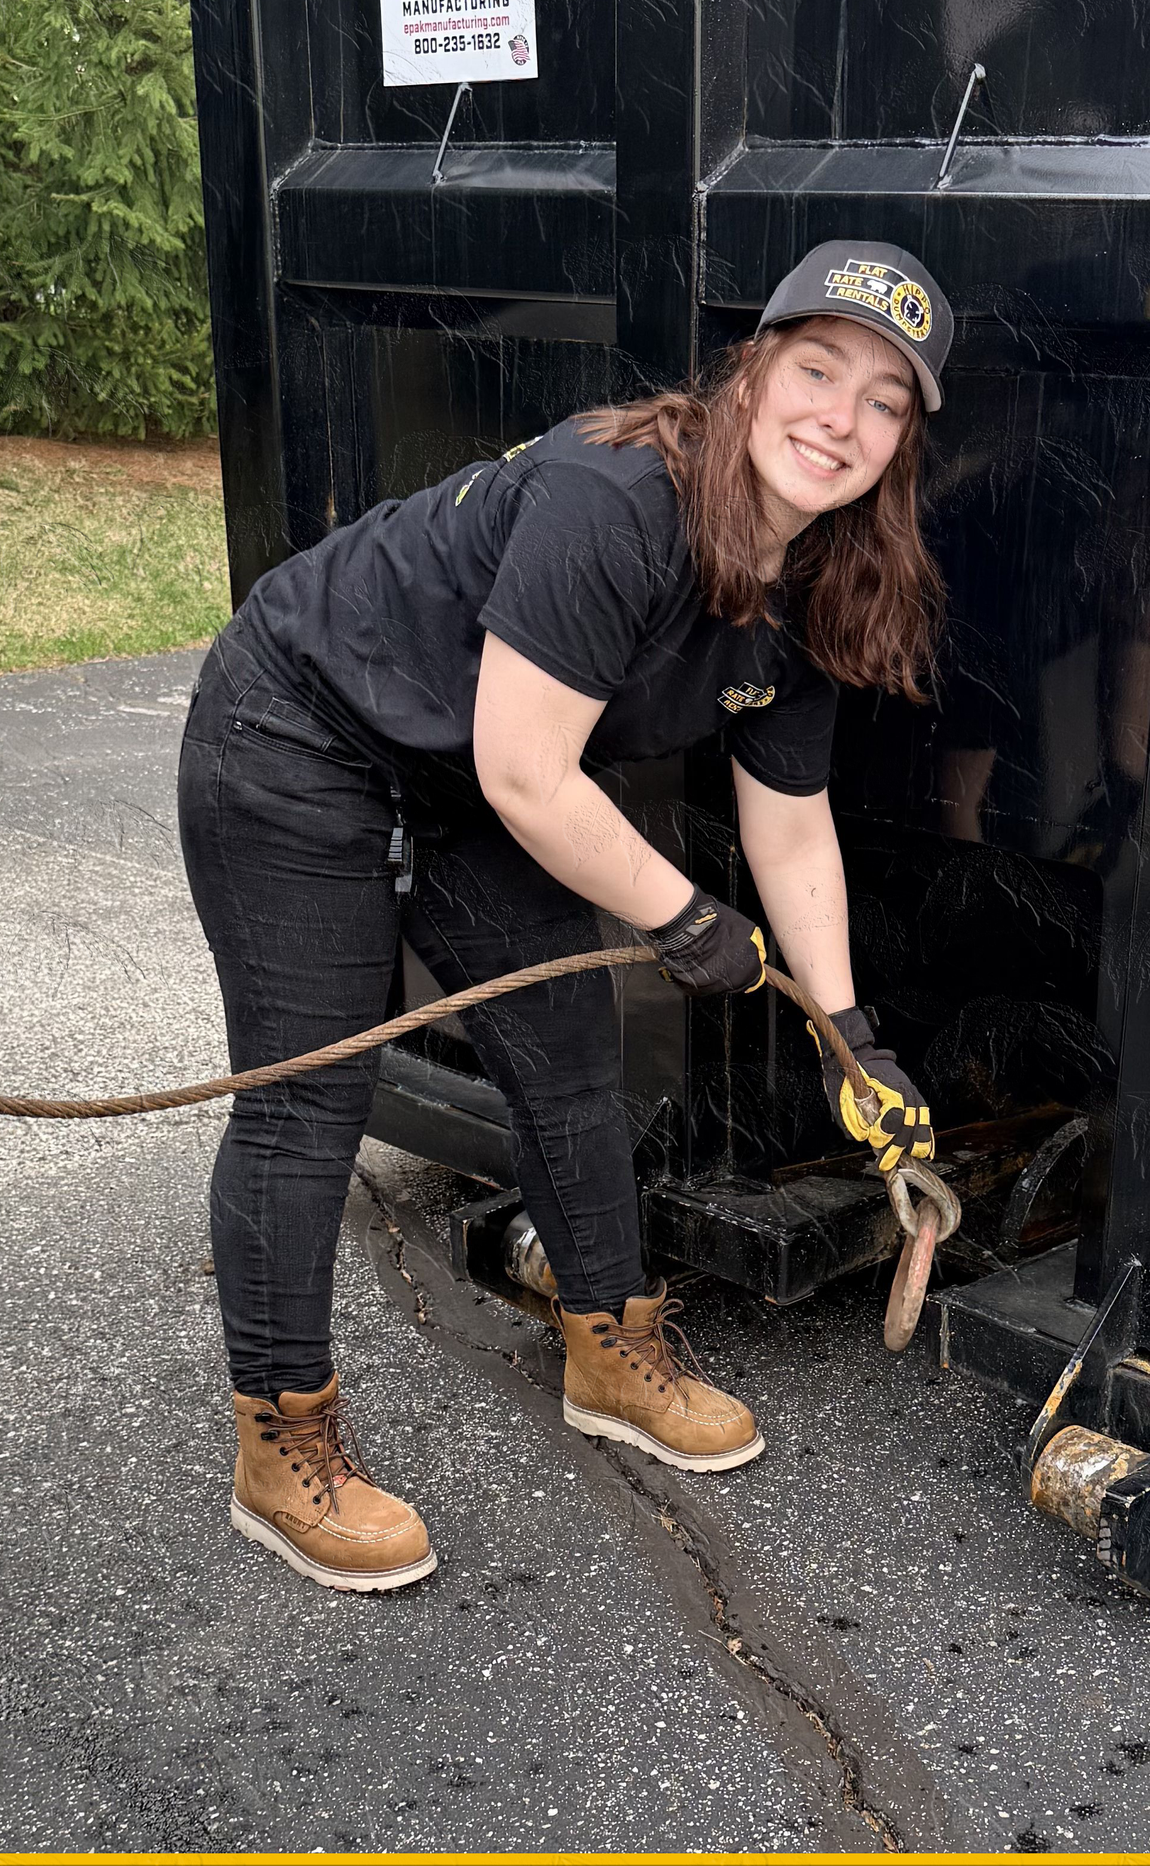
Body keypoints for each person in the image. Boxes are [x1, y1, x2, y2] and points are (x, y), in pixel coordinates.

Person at [177, 241, 953, 1592]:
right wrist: (684, 915)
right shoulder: (617, 501)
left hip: (471, 766)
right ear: (753, 370)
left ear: (905, 441)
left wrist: (850, 1034)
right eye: (818, 368)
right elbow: (530, 770)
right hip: (301, 725)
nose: (842, 417)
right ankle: (279, 1440)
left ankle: (608, 1342)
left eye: (885, 399)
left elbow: (790, 819)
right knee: (312, 1094)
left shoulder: (817, 575)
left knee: (568, 1047)